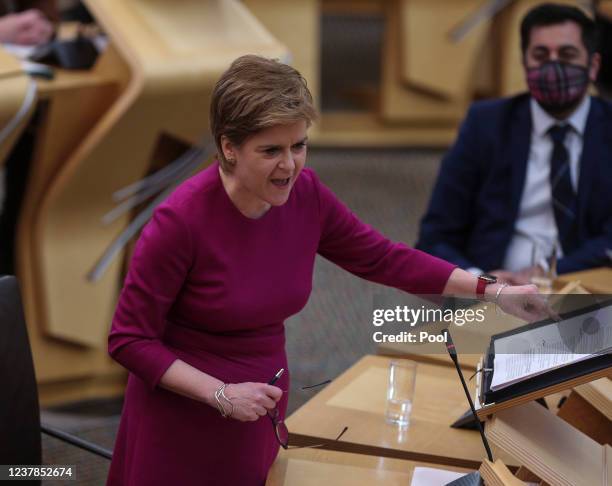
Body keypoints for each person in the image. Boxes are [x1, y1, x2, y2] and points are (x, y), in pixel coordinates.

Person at [106, 55, 550, 486]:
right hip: (183, 417)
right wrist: (221, 393)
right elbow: (128, 339)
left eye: (299, 145)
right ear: (228, 147)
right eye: (271, 150)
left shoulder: (306, 195)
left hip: (259, 402)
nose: (290, 165)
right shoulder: (180, 221)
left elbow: (383, 257)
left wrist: (493, 293)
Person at [416, 3, 612, 285]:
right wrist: (482, 283)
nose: (553, 65)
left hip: (587, 288)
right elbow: (434, 238)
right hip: (496, 294)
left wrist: (550, 271)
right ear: (524, 63)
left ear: (593, 66)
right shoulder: (485, 125)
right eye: (540, 55)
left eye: (567, 55)